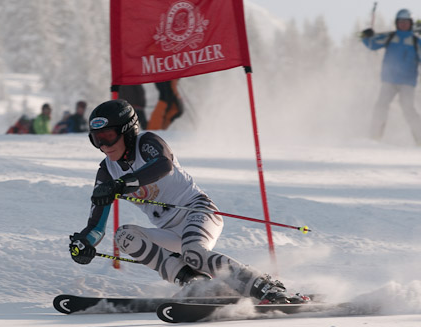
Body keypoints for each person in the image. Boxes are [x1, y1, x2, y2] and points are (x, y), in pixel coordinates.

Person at [68, 99, 304, 304]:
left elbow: (163, 166)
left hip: (198, 211)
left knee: (194, 252)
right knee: (124, 236)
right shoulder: (107, 172)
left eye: (108, 137)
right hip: (169, 230)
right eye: (96, 140)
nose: (104, 146)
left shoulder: (147, 143)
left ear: (128, 130)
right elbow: (96, 228)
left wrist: (125, 183)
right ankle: (194, 282)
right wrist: (85, 243)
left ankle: (262, 285)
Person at [361, 9, 421, 145]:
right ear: (396, 23)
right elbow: (371, 44)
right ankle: (375, 137)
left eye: (406, 22)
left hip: (407, 82)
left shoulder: (415, 41)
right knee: (381, 106)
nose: (403, 25)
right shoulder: (390, 37)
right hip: (389, 80)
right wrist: (365, 35)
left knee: (408, 109)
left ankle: (419, 138)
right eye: (400, 22)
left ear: (411, 23)